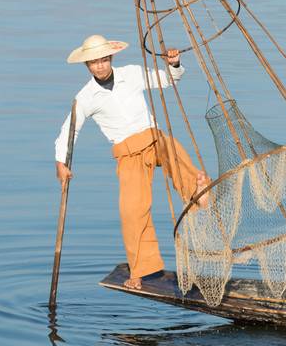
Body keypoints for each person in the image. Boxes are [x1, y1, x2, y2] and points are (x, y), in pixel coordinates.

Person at [54, 34, 209, 290]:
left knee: (173, 148)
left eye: (104, 59)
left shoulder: (132, 73)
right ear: (88, 66)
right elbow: (70, 129)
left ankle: (197, 190)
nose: (100, 65)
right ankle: (140, 269)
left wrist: (174, 64)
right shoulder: (85, 97)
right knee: (132, 210)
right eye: (94, 62)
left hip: (152, 136)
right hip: (128, 154)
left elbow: (167, 80)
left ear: (111, 58)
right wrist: (61, 162)